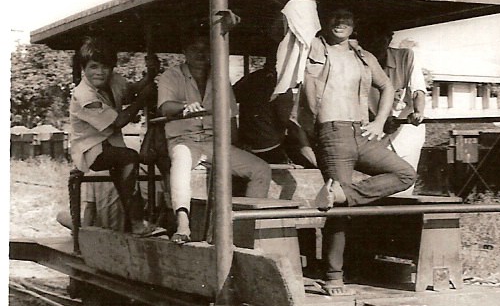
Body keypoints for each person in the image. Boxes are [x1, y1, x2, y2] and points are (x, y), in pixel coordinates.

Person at [295, 6, 416, 295]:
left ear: (354, 24)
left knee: (404, 173)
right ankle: (333, 277)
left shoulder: (363, 55)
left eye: (347, 18)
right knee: (340, 212)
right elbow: (291, 32)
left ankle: (344, 194)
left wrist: (379, 121)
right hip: (332, 133)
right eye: (335, 17)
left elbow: (387, 86)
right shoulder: (310, 48)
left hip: (362, 132)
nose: (340, 22)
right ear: (324, 22)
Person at [158, 33, 272, 244]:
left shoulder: (220, 78)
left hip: (214, 143)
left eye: (205, 48)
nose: (200, 53)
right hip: (184, 140)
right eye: (194, 48)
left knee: (261, 169)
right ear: (185, 51)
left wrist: (234, 148)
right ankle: (183, 223)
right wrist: (184, 106)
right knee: (181, 162)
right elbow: (165, 107)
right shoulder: (171, 75)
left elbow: (230, 116)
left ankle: (244, 231)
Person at [68, 37, 166, 237]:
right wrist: (141, 101)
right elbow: (118, 122)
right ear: (84, 68)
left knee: (126, 169)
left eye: (105, 67)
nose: (100, 72)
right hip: (90, 150)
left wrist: (150, 76)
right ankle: (137, 223)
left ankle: (135, 223)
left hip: (111, 145)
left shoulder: (114, 80)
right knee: (129, 157)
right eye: (94, 67)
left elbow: (130, 92)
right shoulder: (83, 94)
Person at [359, 26, 427, 196]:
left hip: (405, 132)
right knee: (376, 185)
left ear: (389, 39)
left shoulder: (406, 56)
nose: (375, 43)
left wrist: (418, 112)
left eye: (380, 38)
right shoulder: (356, 62)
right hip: (372, 132)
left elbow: (418, 90)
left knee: (403, 185)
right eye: (369, 39)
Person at [233, 55, 317, 168]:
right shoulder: (282, 85)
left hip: (246, 145)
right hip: (269, 147)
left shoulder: (251, 78)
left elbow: (232, 96)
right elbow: (289, 122)